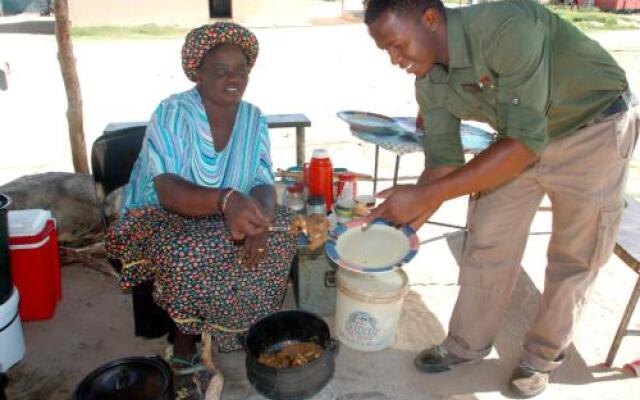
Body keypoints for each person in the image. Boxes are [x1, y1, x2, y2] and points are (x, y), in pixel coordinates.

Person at [362, 0, 638, 397]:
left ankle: (541, 358)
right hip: (519, 139)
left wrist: (421, 195)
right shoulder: (429, 83)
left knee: (574, 256)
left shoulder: (506, 27)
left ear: (430, 19)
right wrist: (397, 229)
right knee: (488, 238)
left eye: (398, 45)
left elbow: (524, 143)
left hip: (592, 129)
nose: (394, 59)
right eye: (385, 50)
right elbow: (442, 168)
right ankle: (465, 345)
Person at [106, 22, 297, 400]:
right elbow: (166, 189)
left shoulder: (254, 117)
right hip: (161, 213)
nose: (233, 78)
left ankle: (233, 327)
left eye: (240, 69)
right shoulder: (173, 113)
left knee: (282, 230)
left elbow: (261, 178)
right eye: (220, 70)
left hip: (226, 208)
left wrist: (260, 215)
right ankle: (183, 349)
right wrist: (226, 200)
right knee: (192, 250)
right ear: (197, 72)